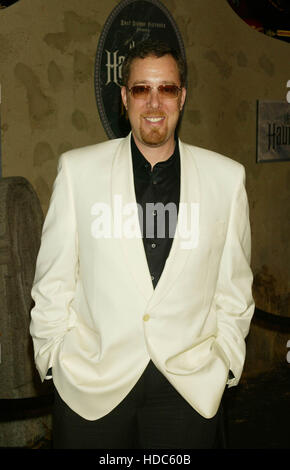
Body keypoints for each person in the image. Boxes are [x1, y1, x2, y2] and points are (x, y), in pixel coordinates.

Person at [30, 40, 254, 449]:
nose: (154, 103)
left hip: (188, 389)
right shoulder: (78, 171)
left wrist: (225, 363)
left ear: (182, 97)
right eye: (141, 89)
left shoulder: (227, 179)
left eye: (166, 89)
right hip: (93, 386)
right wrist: (52, 358)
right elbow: (53, 279)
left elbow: (234, 290)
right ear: (124, 97)